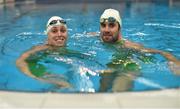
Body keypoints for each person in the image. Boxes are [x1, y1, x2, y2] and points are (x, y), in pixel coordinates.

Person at [94, 8, 180, 92]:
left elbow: (162, 52)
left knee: (118, 90)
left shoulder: (128, 45)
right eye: (103, 25)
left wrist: (175, 62)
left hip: (131, 66)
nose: (106, 30)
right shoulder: (100, 37)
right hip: (116, 62)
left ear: (119, 28)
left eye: (111, 25)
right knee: (102, 88)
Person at [16, 16, 71, 88]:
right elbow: (19, 61)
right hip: (36, 68)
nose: (59, 34)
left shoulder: (66, 49)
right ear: (48, 35)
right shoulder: (40, 49)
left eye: (63, 31)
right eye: (54, 31)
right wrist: (37, 78)